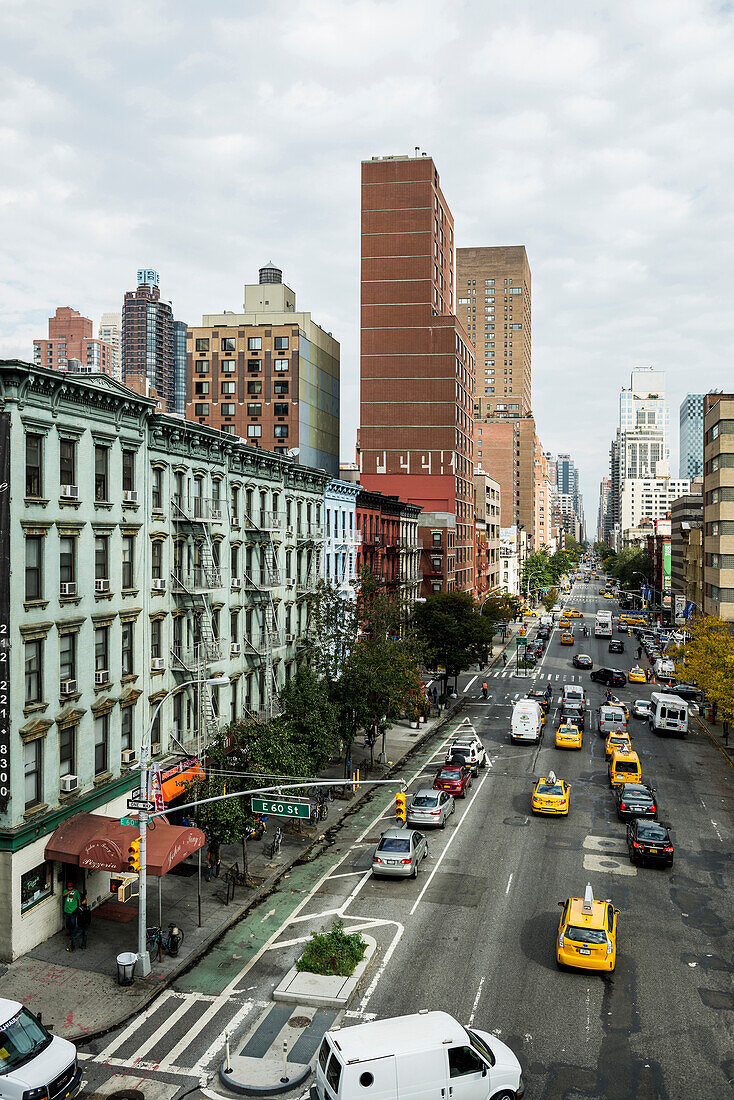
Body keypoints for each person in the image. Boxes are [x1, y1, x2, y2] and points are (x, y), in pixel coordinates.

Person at [63, 882, 80, 952]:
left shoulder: (76, 892)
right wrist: (69, 892)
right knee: (68, 923)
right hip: (67, 910)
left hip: (73, 910)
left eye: (71, 887)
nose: (70, 888)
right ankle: (70, 932)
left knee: (73, 923)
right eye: (69, 887)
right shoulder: (66, 891)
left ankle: (72, 934)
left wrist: (78, 906)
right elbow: (63, 895)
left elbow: (78, 898)